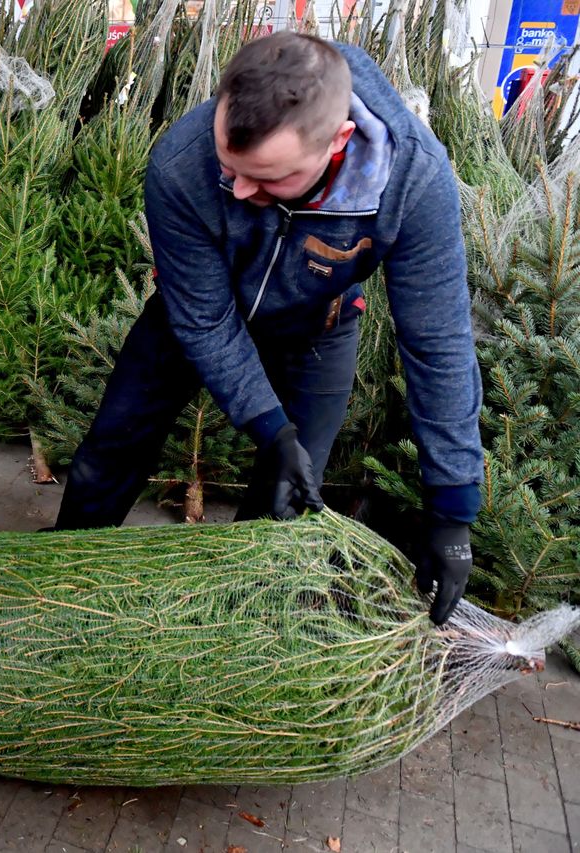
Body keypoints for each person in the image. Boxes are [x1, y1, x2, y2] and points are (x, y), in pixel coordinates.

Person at [50, 31, 483, 627]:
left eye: (269, 177)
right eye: (231, 168)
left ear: (339, 141)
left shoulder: (414, 181)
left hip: (317, 328)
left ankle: (238, 630)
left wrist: (453, 509)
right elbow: (203, 319)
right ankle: (56, 579)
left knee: (283, 501)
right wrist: (269, 429)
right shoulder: (182, 161)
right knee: (111, 449)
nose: (240, 189)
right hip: (196, 313)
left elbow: (437, 344)